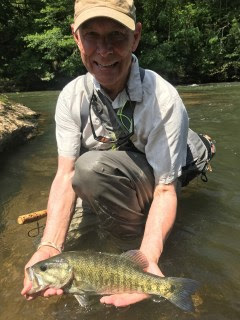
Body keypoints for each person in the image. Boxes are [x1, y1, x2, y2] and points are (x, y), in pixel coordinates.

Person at [21, 0, 214, 307]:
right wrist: (49, 244)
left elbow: (165, 189)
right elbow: (64, 175)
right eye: (91, 36)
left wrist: (146, 256)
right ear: (75, 37)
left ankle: (132, 242)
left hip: (152, 182)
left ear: (135, 37)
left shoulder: (162, 99)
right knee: (64, 248)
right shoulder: (72, 97)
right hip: (110, 180)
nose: (104, 49)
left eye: (116, 36)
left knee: (91, 169)